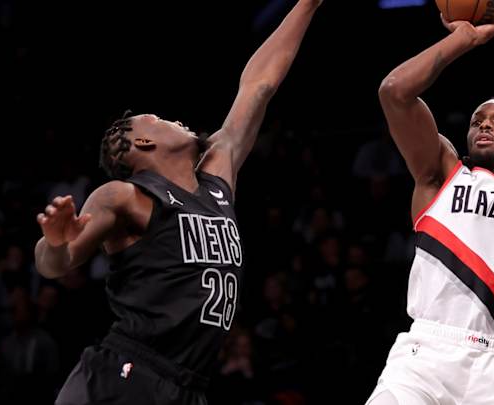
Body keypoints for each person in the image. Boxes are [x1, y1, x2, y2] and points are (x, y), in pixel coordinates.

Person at [34, 1, 323, 404]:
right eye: (159, 118)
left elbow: (259, 85)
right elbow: (56, 264)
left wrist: (309, 4)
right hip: (124, 375)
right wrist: (54, 241)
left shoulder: (217, 178)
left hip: (188, 385)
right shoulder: (126, 195)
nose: (178, 120)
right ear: (142, 141)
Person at [366, 0, 494, 403]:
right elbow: (394, 92)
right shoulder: (440, 173)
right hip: (424, 355)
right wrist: (464, 38)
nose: (484, 125)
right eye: (478, 120)